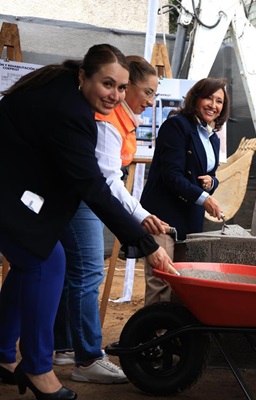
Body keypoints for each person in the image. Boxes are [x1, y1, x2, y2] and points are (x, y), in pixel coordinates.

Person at [0, 43, 174, 400]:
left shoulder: (68, 89)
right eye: (107, 84)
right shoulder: (72, 111)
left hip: (16, 181)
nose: (115, 95)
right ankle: (37, 367)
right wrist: (144, 243)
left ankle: (2, 354)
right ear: (84, 76)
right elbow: (93, 185)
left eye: (122, 87)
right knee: (47, 262)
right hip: (7, 184)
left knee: (34, 261)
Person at [52, 55, 167, 384]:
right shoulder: (107, 121)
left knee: (70, 275)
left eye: (153, 94)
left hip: (79, 198)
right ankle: (88, 358)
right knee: (88, 274)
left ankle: (65, 347)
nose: (150, 100)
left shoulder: (119, 119)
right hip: (82, 202)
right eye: (146, 92)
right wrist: (142, 219)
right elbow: (106, 183)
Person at [140, 77, 228, 305]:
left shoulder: (213, 138)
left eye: (219, 101)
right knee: (161, 280)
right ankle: (154, 336)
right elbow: (171, 174)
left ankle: (176, 337)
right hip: (163, 216)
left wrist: (212, 183)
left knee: (183, 282)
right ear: (195, 98)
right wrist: (205, 198)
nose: (213, 104)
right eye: (208, 97)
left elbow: (210, 175)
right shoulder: (176, 125)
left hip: (190, 218)